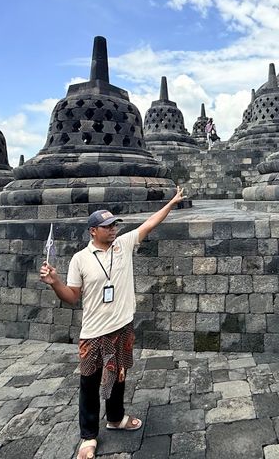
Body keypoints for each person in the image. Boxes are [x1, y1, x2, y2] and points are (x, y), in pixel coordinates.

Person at [39, 186, 186, 459]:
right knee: (89, 383)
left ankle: (116, 418)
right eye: (107, 226)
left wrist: (172, 203)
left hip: (122, 326)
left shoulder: (123, 245)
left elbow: (150, 223)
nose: (113, 229)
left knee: (119, 376)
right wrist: (54, 282)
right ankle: (88, 436)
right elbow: (72, 297)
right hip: (94, 331)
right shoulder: (80, 259)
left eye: (114, 225)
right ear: (93, 231)